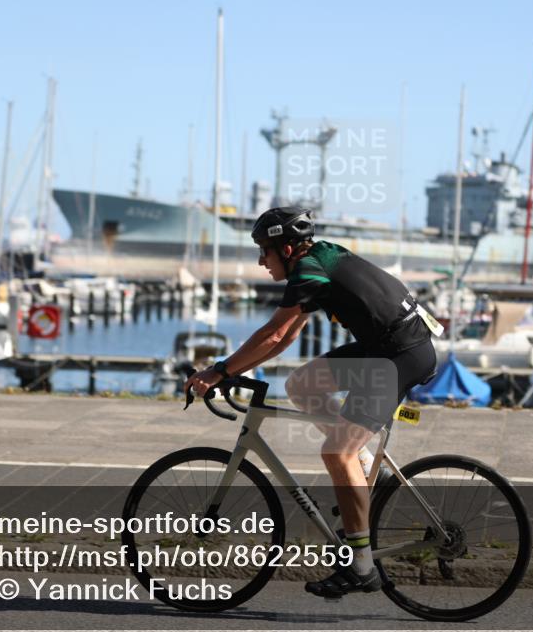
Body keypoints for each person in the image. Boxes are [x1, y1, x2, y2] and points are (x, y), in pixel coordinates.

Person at [185, 205, 439, 598]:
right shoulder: (320, 258)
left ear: (285, 250)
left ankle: (361, 565)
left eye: (264, 252)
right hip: (388, 348)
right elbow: (285, 336)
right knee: (303, 385)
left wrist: (219, 371)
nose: (260, 260)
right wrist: (233, 370)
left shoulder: (308, 269)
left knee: (337, 453)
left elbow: (272, 334)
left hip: (398, 358)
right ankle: (371, 470)